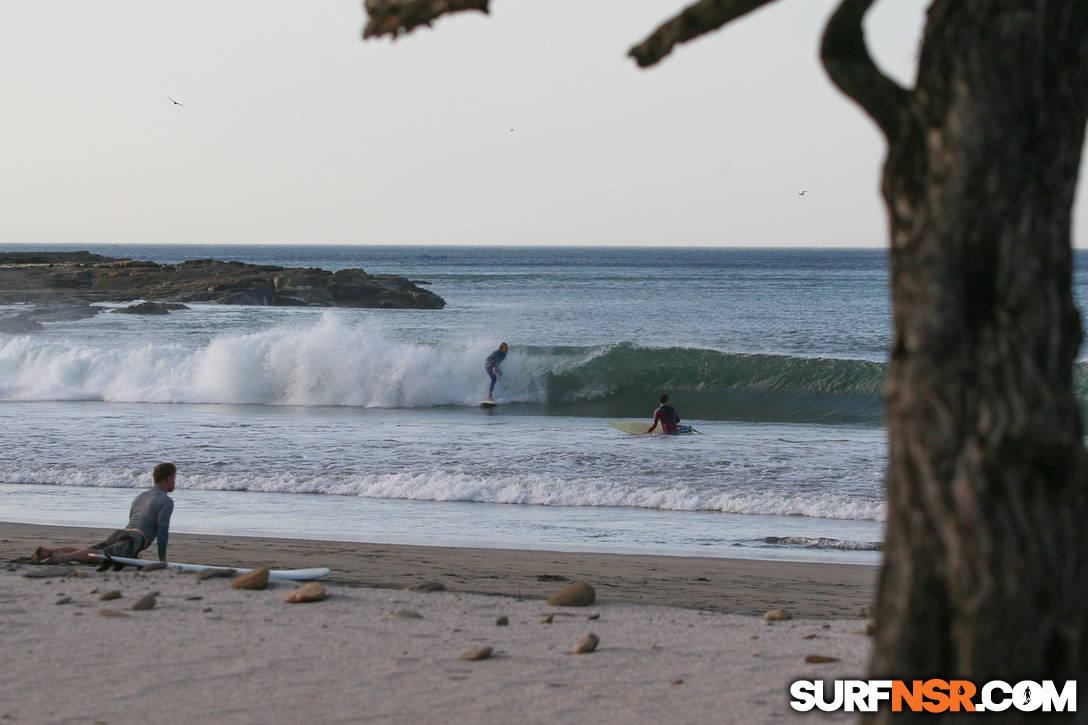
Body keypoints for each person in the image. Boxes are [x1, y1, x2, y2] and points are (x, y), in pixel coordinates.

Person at [30, 462, 177, 568]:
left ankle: (48, 552)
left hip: (122, 532)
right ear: (169, 479)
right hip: (135, 539)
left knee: (87, 552)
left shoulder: (141, 496)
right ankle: (63, 557)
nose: (174, 482)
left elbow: (133, 519)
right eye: (174, 479)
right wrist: (162, 560)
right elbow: (162, 531)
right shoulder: (166, 501)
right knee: (98, 556)